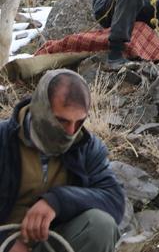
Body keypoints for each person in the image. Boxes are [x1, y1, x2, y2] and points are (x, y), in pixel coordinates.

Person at [0, 69, 125, 252]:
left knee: (101, 226)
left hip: (54, 242)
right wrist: (10, 242)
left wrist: (57, 201)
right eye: (62, 121)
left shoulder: (86, 147)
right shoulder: (3, 140)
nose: (71, 132)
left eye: (79, 122)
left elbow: (114, 200)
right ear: (41, 108)